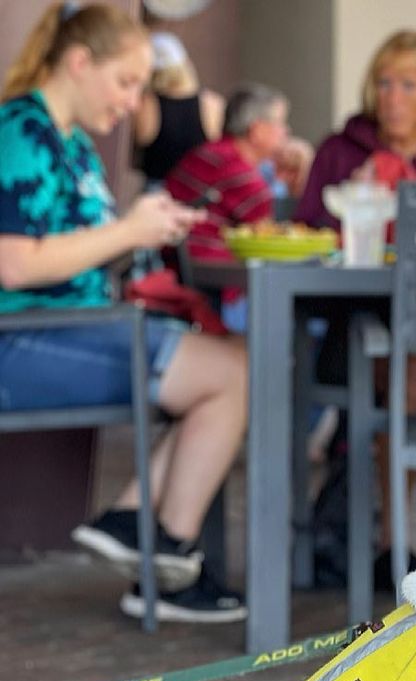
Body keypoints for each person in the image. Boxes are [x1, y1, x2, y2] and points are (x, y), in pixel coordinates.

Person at [0, 2, 248, 625]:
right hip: (23, 341)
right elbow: (15, 266)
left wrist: (152, 228)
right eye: (126, 82)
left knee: (237, 366)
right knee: (234, 373)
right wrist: (128, 231)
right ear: (80, 63)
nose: (135, 102)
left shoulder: (75, 145)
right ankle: (156, 544)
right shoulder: (19, 132)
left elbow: (84, 250)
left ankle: (140, 525)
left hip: (75, 330)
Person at [295, 29, 416, 591]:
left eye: (407, 84)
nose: (393, 97)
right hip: (353, 333)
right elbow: (305, 238)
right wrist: (350, 210)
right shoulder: (341, 151)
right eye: (384, 83)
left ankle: (400, 545)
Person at [166, 82, 290, 332]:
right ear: (257, 130)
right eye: (279, 123)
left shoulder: (207, 153)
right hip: (216, 289)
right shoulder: (237, 170)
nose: (286, 131)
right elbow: (270, 236)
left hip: (181, 272)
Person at [132, 28, 224, 186]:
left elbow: (140, 140)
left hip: (158, 189)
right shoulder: (212, 103)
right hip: (197, 190)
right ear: (186, 64)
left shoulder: (147, 104)